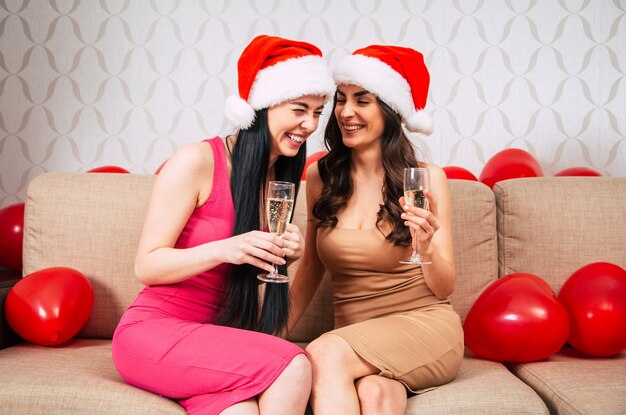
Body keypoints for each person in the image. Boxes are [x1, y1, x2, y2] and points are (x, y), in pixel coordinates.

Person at [112, 35, 335, 415]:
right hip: (152, 332)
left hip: (217, 342)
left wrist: (286, 258)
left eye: (318, 112)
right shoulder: (196, 160)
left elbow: (253, 295)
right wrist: (224, 249)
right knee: (294, 364)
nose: (310, 124)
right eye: (300, 109)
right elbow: (146, 265)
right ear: (263, 105)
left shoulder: (277, 180)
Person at [290, 45, 464, 414]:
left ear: (389, 110)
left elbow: (444, 286)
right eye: (341, 99)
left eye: (362, 100)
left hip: (424, 328)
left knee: (322, 351)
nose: (345, 112)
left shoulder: (427, 179)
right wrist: (269, 335)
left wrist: (428, 247)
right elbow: (309, 269)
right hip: (357, 339)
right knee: (374, 394)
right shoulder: (321, 176)